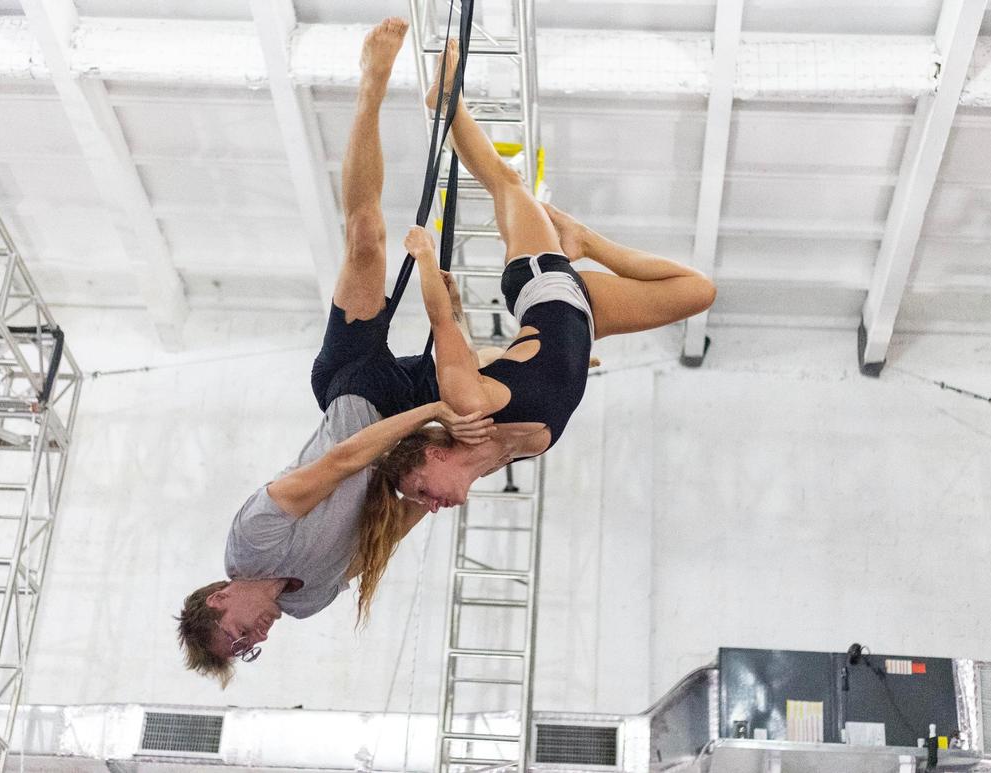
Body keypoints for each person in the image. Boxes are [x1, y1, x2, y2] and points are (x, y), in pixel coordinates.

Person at [175, 19, 494, 687]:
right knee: (495, 390)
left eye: (238, 633)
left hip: (354, 390)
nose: (256, 636)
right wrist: (433, 486)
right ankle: (452, 112)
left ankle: (371, 87)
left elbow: (346, 457)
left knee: (366, 239)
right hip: (401, 430)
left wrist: (435, 402)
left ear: (218, 597)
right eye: (250, 648)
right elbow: (386, 528)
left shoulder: (252, 538)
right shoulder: (309, 598)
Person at [382, 41, 717, 512]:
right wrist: (573, 361)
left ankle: (446, 104)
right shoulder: (500, 455)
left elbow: (444, 333)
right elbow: (498, 359)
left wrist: (424, 259)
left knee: (508, 183)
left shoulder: (466, 405)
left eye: (420, 489)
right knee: (699, 293)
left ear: (435, 454)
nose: (430, 505)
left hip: (544, 285)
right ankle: (584, 239)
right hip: (586, 319)